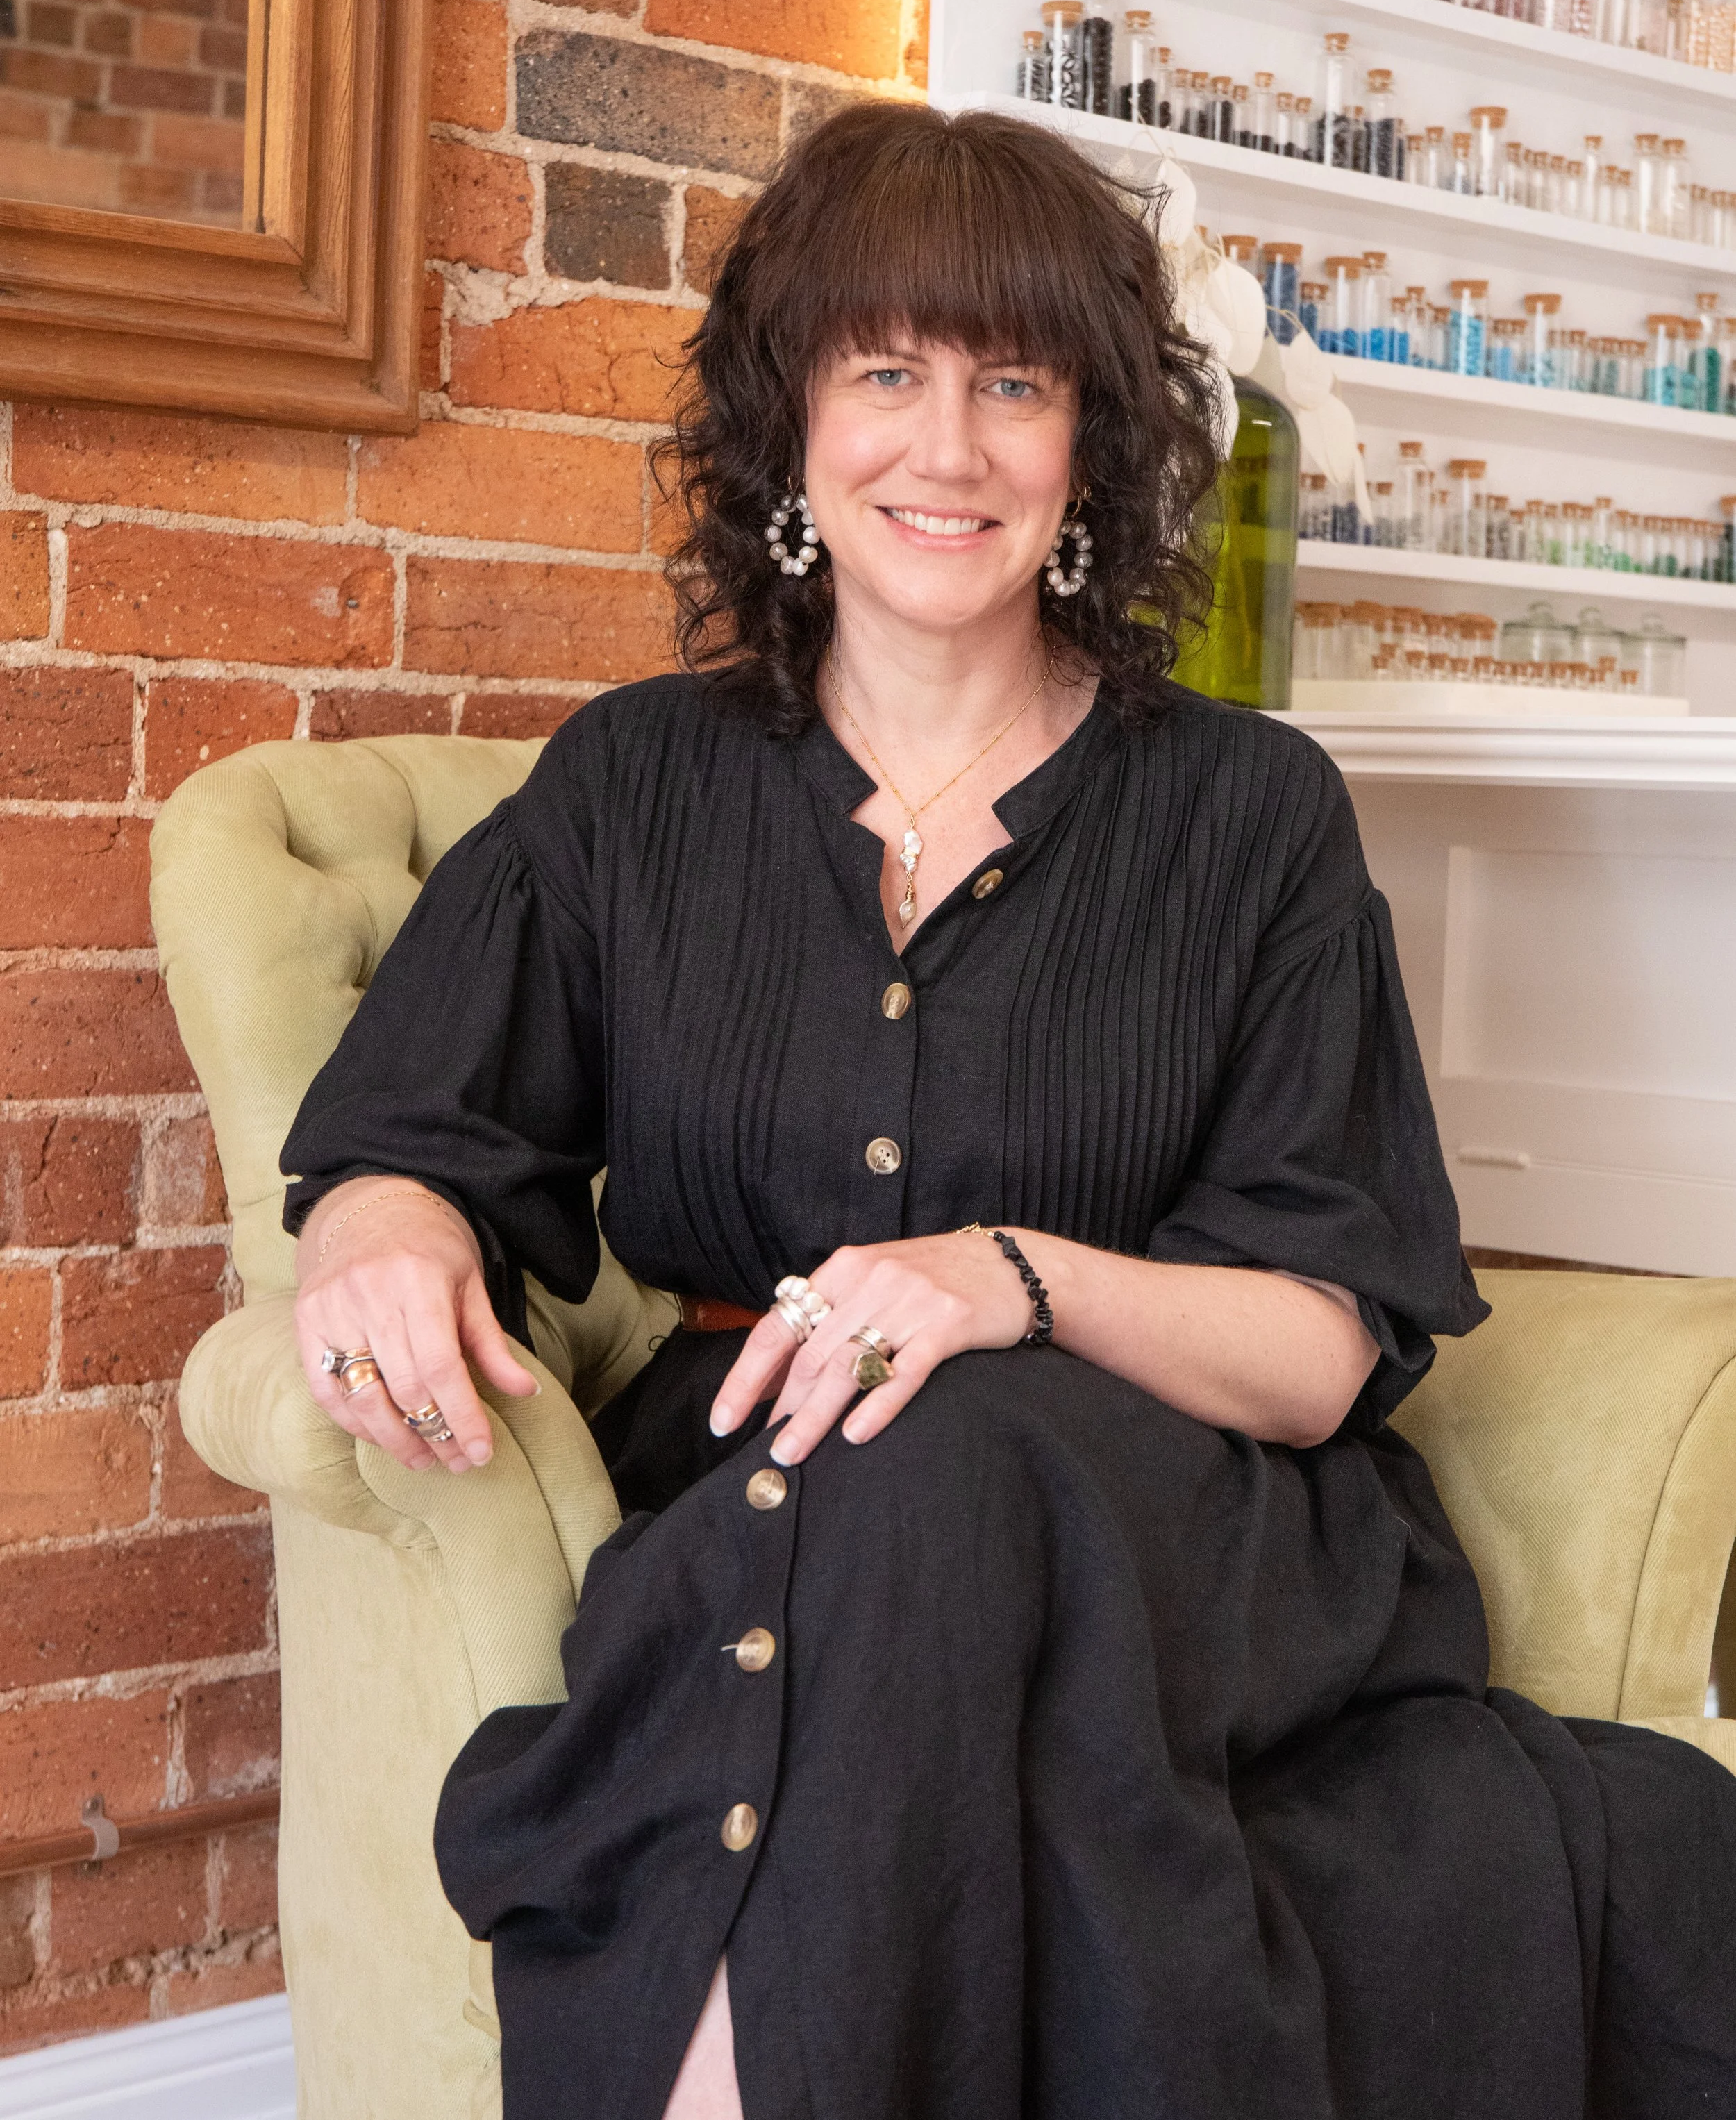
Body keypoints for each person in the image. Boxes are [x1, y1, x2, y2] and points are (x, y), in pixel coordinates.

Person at [281, 103, 1736, 2120]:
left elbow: (1320, 1350)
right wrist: (381, 1229)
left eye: (1015, 385)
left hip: (1173, 1523)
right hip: (770, 1500)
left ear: (1091, 446)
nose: (948, 448)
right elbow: (413, 1129)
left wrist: (1009, 1279)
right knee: (883, 1497)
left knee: (942, 1455)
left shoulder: (1250, 815)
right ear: (792, 423)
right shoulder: (635, 785)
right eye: (886, 373)